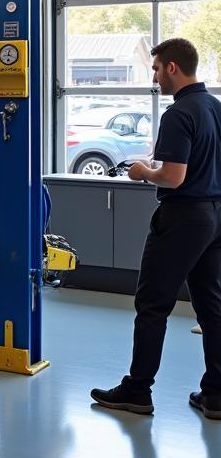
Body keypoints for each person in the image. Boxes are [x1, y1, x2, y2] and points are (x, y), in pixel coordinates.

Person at [92, 38, 221, 420]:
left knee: (152, 305)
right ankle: (216, 393)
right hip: (214, 216)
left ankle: (137, 390)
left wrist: (142, 172)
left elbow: (173, 177)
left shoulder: (178, 113)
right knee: (212, 305)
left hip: (182, 218)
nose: (154, 75)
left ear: (173, 68)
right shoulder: (215, 107)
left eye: (156, 68)